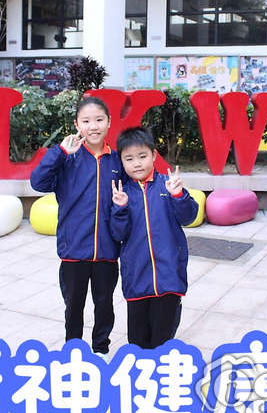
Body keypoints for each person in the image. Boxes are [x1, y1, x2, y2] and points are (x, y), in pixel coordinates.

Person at [29, 96, 122, 355]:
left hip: (107, 250)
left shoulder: (116, 161)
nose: (93, 126)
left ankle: (101, 349)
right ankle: (73, 351)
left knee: (104, 305)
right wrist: (59, 153)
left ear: (108, 122)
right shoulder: (66, 158)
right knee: (73, 306)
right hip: (73, 250)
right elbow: (38, 182)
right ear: (77, 124)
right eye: (86, 121)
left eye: (99, 120)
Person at [109, 127, 198, 349]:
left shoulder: (167, 185)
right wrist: (119, 208)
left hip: (169, 277)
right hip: (136, 278)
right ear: (122, 162)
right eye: (129, 159)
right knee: (137, 341)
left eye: (142, 156)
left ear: (154, 155)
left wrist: (178, 195)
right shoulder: (122, 193)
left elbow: (189, 217)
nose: (137, 163)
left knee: (163, 340)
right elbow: (118, 234)